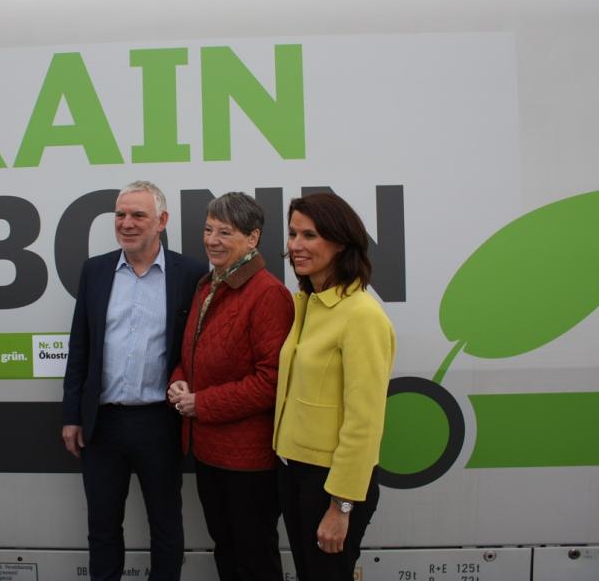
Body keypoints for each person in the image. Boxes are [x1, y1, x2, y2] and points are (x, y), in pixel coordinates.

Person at [61, 180, 207, 581]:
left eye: (138, 215)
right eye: (120, 214)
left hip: (160, 422)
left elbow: (197, 348)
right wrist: (72, 414)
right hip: (101, 425)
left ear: (161, 220)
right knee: (103, 528)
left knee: (166, 525)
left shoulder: (191, 273)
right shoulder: (95, 270)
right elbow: (80, 348)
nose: (126, 223)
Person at [167, 192, 293, 581]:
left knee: (254, 556)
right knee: (226, 549)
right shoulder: (207, 286)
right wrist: (178, 382)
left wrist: (201, 403)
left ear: (253, 238)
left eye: (226, 231)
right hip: (207, 451)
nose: (212, 240)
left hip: (249, 460)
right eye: (208, 230)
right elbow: (189, 355)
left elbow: (271, 381)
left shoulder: (269, 294)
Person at [273, 192, 396, 581]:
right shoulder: (308, 304)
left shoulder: (361, 315)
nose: (296, 246)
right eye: (293, 234)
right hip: (296, 472)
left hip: (330, 483)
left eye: (309, 235)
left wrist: (341, 506)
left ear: (340, 242)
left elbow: (365, 421)